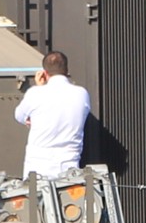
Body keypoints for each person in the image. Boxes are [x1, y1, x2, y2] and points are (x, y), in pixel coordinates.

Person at [14, 51, 91, 179]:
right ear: (67, 70)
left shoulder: (35, 94)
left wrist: (40, 87)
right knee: (68, 198)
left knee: (35, 198)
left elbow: (19, 116)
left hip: (38, 164)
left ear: (45, 72)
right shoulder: (82, 94)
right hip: (69, 162)